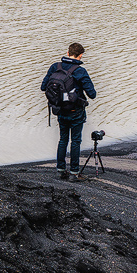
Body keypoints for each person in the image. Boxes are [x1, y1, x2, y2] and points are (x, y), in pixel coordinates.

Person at [41, 43, 97, 180]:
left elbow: (43, 87)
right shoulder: (80, 71)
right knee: (76, 141)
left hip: (59, 110)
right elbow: (92, 94)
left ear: (67, 53)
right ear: (80, 55)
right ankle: (74, 172)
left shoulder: (55, 67)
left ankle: (60, 170)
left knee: (63, 140)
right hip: (76, 111)